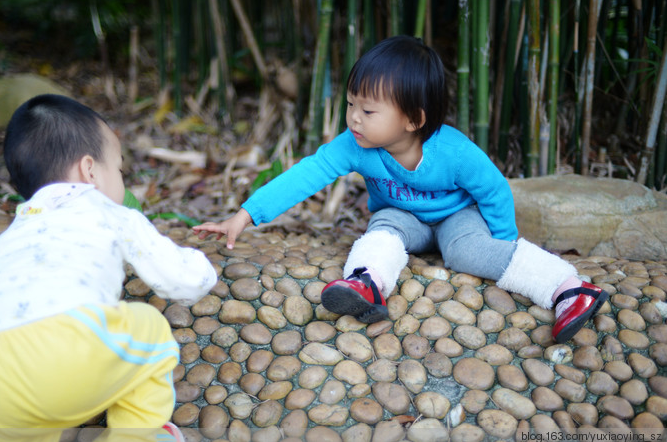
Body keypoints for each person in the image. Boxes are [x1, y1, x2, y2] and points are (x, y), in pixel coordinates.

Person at [194, 35, 607, 344]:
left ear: (413, 119)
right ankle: (366, 284)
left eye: (368, 110)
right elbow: (308, 173)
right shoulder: (355, 145)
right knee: (381, 231)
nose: (354, 118)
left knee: (464, 252)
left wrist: (501, 245)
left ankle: (567, 287)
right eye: (351, 103)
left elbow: (495, 190)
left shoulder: (454, 152)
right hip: (401, 215)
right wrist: (245, 215)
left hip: (456, 217)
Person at [0, 94, 216, 442]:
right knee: (149, 326)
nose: (121, 180)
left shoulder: (5, 243)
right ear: (89, 171)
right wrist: (204, 268)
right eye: (118, 169)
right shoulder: (106, 209)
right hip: (65, 350)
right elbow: (182, 279)